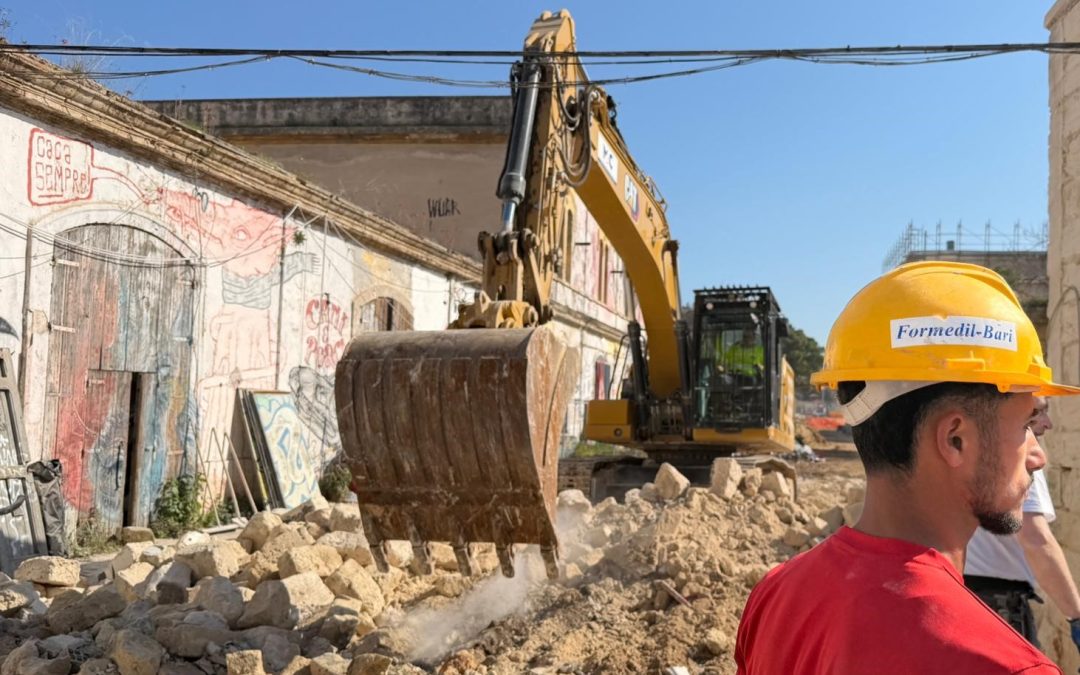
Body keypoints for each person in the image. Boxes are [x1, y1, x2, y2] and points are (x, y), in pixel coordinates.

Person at [735, 261, 1080, 674]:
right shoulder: (1005, 664)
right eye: (1027, 425)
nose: (1037, 455)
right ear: (956, 439)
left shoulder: (774, 596)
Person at [965, 396, 1080, 654]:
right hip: (999, 603)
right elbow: (1036, 539)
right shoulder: (1017, 456)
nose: (1048, 424)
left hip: (966, 593)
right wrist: (1076, 615)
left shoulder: (968, 451)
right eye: (1036, 415)